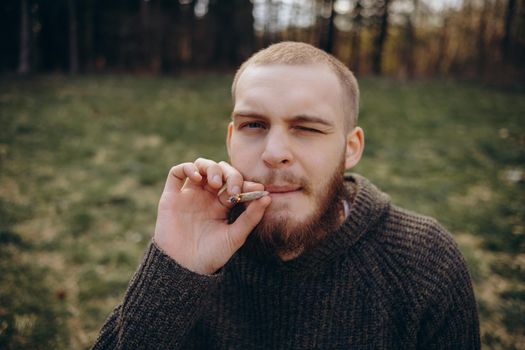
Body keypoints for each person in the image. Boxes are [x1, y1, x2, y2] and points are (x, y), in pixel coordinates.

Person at [93, 41, 480, 349]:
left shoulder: (424, 262)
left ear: (351, 147)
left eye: (307, 128)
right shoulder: (196, 250)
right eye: (254, 124)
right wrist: (175, 271)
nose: (273, 152)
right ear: (231, 139)